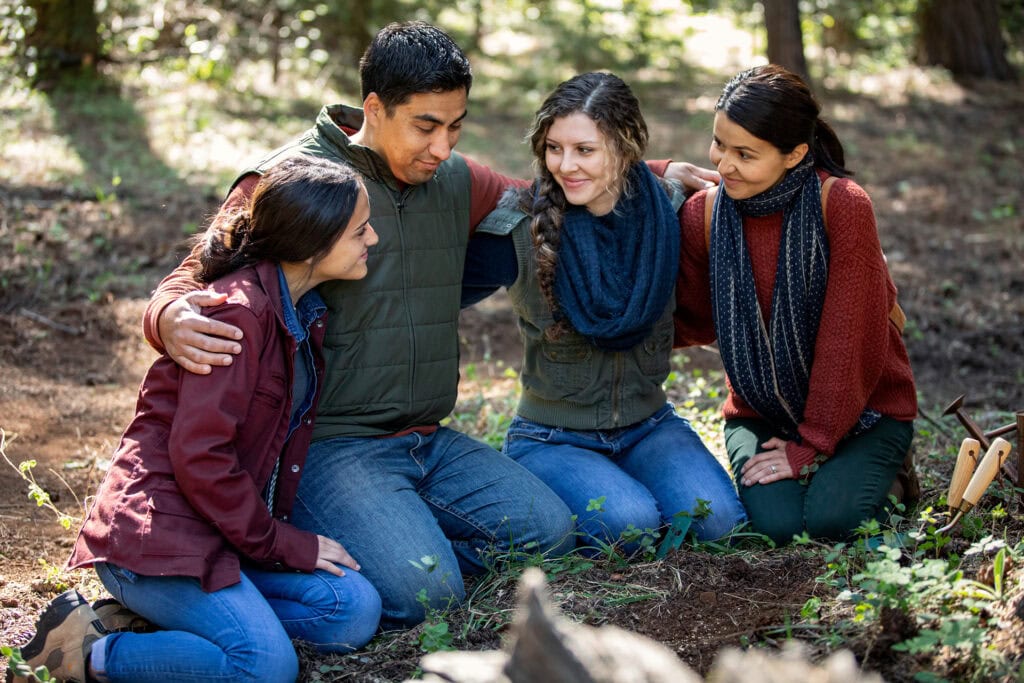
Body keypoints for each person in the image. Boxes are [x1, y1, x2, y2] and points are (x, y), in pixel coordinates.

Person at [143, 22, 717, 629]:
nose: (442, 146)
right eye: (425, 126)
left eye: (455, 126)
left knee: (549, 536)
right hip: (331, 446)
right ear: (375, 109)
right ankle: (293, 562)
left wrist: (651, 169)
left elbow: (549, 189)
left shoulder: (455, 178)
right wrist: (166, 312)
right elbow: (199, 271)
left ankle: (400, 531)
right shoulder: (294, 179)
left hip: (428, 439)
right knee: (429, 595)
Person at [11, 156, 383, 683]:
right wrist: (282, 543)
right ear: (312, 246)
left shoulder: (297, 307)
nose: (372, 239)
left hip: (221, 533)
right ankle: (78, 655)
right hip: (157, 538)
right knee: (264, 667)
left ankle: (160, 626)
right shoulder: (237, 317)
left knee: (351, 610)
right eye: (359, 230)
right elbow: (200, 459)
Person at [469, 73, 747, 553]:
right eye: (554, 148)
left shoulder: (669, 211)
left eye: (584, 150)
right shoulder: (520, 229)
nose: (565, 165)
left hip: (648, 425)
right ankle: (564, 484)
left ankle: (622, 481)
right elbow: (433, 292)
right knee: (628, 527)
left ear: (623, 147)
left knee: (717, 522)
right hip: (553, 436)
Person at [674, 65, 918, 546]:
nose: (724, 166)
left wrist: (812, 445)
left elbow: (848, 339)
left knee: (832, 521)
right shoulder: (704, 216)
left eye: (746, 154)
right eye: (720, 144)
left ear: (795, 154)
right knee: (780, 528)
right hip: (761, 409)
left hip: (866, 405)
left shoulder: (842, 204)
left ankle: (885, 477)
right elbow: (689, 321)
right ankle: (833, 476)